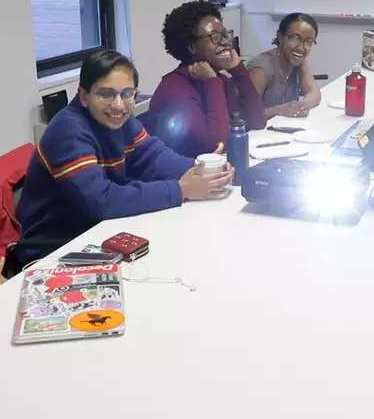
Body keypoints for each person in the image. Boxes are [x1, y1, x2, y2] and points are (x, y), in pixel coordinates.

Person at [14, 50, 234, 271]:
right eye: (106, 94)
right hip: (53, 252)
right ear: (83, 95)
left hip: (100, 234)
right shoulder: (68, 131)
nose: (119, 105)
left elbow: (153, 156)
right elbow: (102, 202)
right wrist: (180, 190)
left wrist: (203, 171)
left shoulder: (120, 120)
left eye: (127, 93)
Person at [149, 0, 266, 157]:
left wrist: (239, 70)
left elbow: (256, 122)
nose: (226, 42)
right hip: (182, 177)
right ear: (191, 46)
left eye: (226, 35)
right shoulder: (174, 88)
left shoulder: (220, 79)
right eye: (215, 37)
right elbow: (216, 145)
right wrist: (212, 82)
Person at [248, 12, 322, 119]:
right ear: (280, 37)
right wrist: (278, 110)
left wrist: (301, 105)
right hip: (258, 133)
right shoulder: (261, 68)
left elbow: (314, 93)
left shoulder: (298, 62)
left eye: (308, 42)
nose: (301, 48)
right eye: (295, 39)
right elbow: (248, 116)